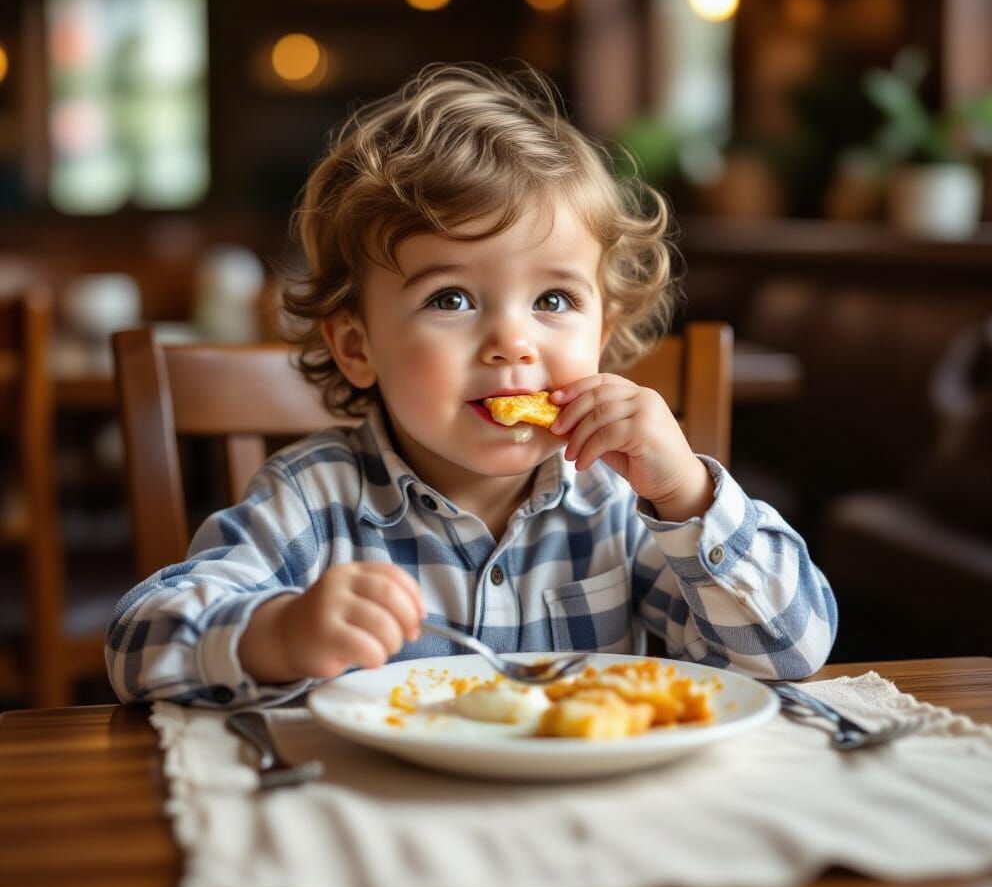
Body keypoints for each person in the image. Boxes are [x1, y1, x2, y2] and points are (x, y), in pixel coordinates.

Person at [106, 63, 837, 708]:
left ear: (603, 335)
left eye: (553, 301)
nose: (513, 343)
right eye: (451, 299)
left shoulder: (621, 503)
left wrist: (688, 496)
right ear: (358, 347)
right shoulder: (313, 500)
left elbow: (791, 650)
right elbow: (137, 645)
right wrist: (273, 634)